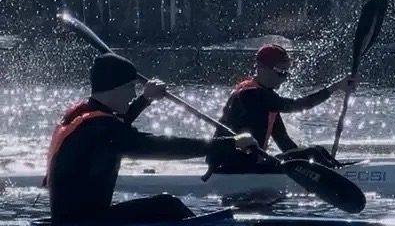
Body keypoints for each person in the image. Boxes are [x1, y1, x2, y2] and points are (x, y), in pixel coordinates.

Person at [46, 52, 257, 225]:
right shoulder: (103, 129)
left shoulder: (82, 116)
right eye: (130, 88)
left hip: (72, 218)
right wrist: (231, 143)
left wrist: (146, 99)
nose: (132, 95)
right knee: (168, 206)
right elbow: (163, 147)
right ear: (114, 89)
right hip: (86, 222)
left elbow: (116, 127)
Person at [207, 43, 357, 174]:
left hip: (248, 163)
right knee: (312, 153)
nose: (284, 78)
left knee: (316, 151)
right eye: (280, 72)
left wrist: (302, 163)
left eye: (286, 73)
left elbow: (284, 142)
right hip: (231, 167)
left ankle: (337, 171)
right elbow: (297, 105)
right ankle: (338, 176)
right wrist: (335, 88)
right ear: (261, 68)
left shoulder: (268, 98)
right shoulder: (251, 94)